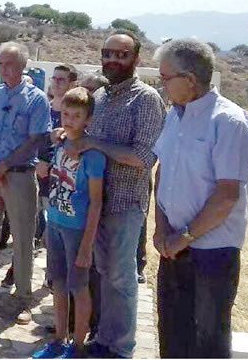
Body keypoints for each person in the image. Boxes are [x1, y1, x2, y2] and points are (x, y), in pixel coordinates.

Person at [153, 39, 248, 358]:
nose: (162, 84)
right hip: (174, 247)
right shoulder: (174, 116)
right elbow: (163, 174)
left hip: (212, 252)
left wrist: (185, 236)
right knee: (172, 333)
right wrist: (160, 228)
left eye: (166, 78)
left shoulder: (228, 122)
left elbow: (226, 196)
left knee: (207, 341)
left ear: (191, 79)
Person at [67, 31, 165, 358]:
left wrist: (95, 144)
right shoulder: (103, 97)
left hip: (124, 203)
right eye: (107, 53)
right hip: (94, 202)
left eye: (121, 55)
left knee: (121, 279)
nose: (112, 60)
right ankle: (104, 340)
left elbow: (143, 158)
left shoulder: (147, 98)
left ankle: (120, 348)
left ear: (136, 60)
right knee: (104, 274)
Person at [0, 41, 51, 325]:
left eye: (11, 63)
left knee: (22, 237)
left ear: (23, 65)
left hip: (19, 176)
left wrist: (4, 165)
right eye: (1, 63)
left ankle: (24, 297)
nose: (5, 68)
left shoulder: (37, 98)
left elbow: (35, 139)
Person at [32, 87, 105, 359]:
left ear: (88, 119)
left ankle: (77, 345)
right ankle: (59, 339)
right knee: (58, 285)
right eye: (65, 114)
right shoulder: (59, 144)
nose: (70, 120)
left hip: (78, 229)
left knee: (79, 288)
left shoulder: (93, 154)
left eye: (77, 115)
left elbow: (97, 201)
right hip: (56, 223)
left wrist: (88, 245)